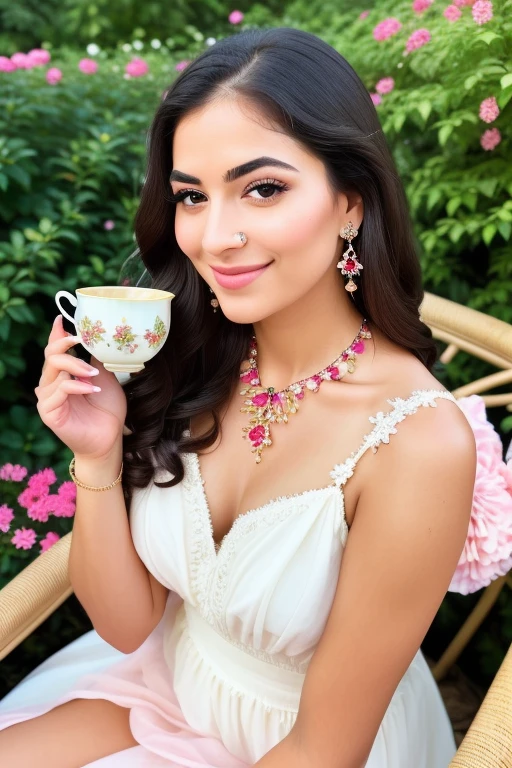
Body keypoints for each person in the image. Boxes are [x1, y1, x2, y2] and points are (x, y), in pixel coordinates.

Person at [0, 26, 477, 768]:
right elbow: (129, 626)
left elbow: (324, 748)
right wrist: (95, 457)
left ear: (351, 202)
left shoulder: (417, 445)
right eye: (191, 196)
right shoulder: (195, 354)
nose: (215, 236)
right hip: (165, 684)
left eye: (263, 188)